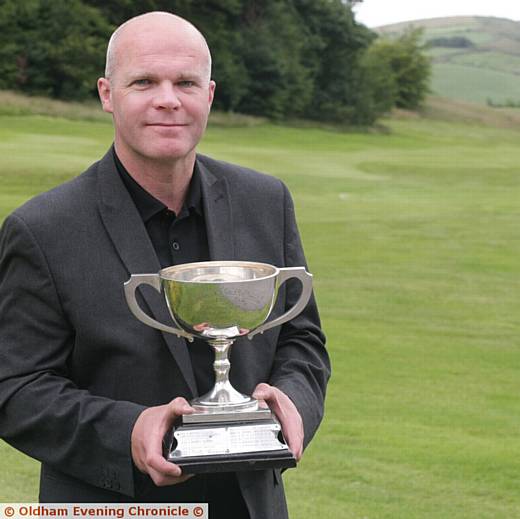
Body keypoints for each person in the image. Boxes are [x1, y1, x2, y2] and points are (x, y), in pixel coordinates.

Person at [0, 11, 329, 518]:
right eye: (145, 81)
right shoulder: (43, 228)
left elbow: (301, 341)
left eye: (186, 82)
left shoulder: (266, 200)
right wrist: (128, 430)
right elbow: (16, 388)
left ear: (210, 95)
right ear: (108, 94)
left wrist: (293, 402)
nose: (168, 99)